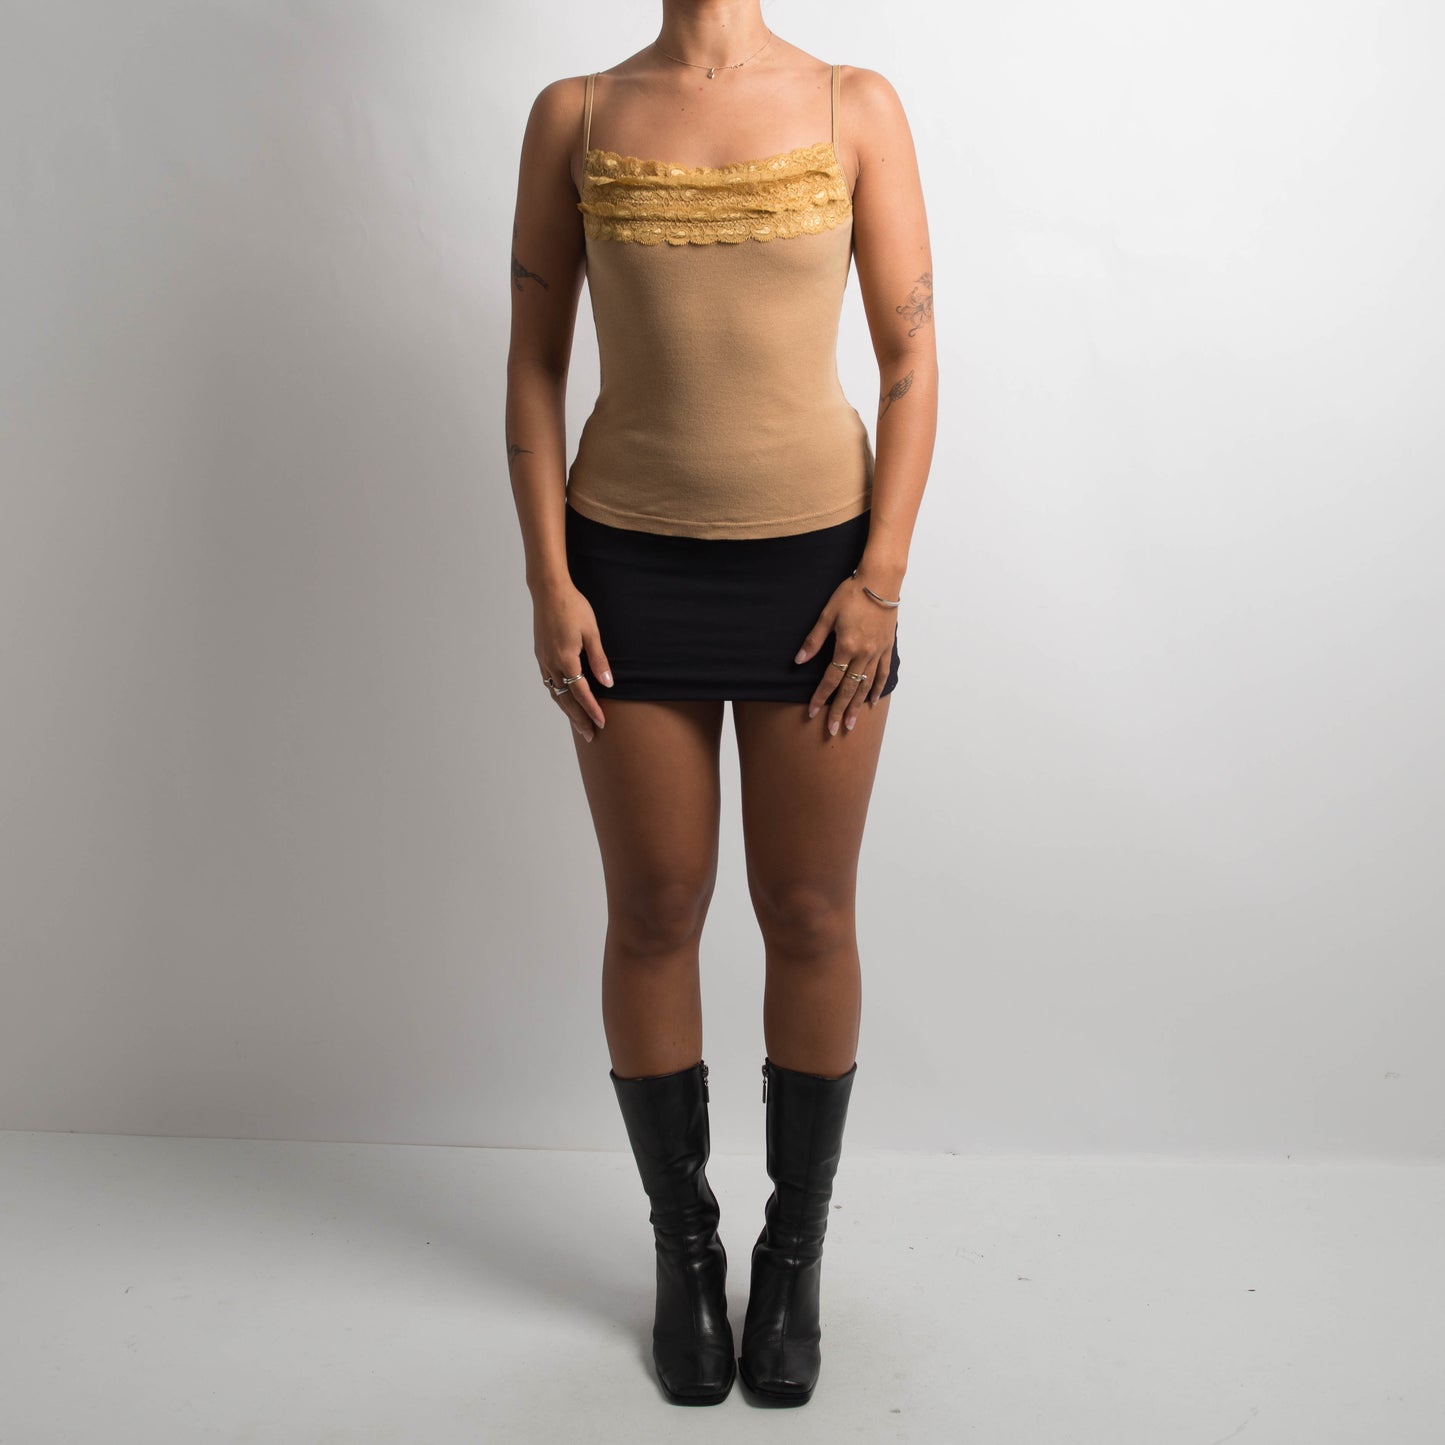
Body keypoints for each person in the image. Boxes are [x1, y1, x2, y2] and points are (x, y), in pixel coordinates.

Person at [506, 3, 936, 1409]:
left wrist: (879, 578)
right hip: (624, 567)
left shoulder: (855, 103)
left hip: (820, 571)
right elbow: (532, 361)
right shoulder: (574, 114)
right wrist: (550, 580)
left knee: (806, 909)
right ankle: (683, 1251)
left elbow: (911, 361)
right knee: (654, 908)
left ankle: (791, 1258)